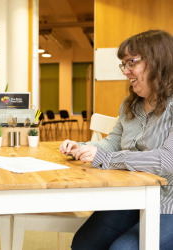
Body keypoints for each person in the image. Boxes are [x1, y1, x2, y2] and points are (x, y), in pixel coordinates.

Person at [60, 30, 173, 250]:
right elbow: (113, 142)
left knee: (122, 249)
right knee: (83, 244)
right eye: (124, 64)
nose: (126, 72)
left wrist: (107, 158)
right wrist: (82, 147)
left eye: (132, 63)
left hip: (168, 203)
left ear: (159, 61)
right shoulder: (129, 105)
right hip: (131, 197)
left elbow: (168, 160)